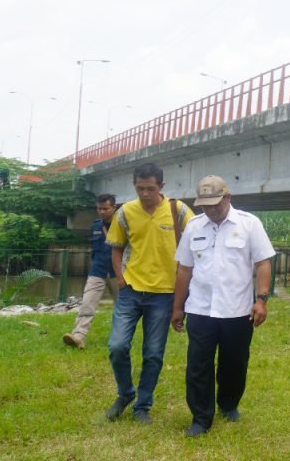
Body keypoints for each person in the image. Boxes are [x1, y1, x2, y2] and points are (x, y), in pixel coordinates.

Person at [171, 175, 275, 437]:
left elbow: (263, 263)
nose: (210, 210)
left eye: (215, 204)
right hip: (200, 309)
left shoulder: (249, 224)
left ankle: (228, 404)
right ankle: (200, 418)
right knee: (198, 364)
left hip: (237, 310)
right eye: (205, 205)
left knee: (235, 362)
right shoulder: (194, 227)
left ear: (228, 198)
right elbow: (184, 269)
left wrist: (261, 300)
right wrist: (177, 307)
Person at [104, 162, 194, 423]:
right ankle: (125, 392)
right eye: (140, 188)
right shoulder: (125, 212)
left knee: (153, 353)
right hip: (131, 290)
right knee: (117, 346)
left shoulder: (178, 211)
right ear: (134, 186)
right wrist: (121, 279)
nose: (144, 193)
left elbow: (198, 241)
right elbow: (116, 247)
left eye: (150, 189)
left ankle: (142, 406)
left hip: (164, 294)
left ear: (161, 187)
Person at [63, 194, 118, 349]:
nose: (102, 212)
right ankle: (78, 336)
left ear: (114, 208)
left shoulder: (123, 225)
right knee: (87, 303)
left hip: (118, 273)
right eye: (99, 208)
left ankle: (119, 338)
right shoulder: (95, 226)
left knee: (122, 308)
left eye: (105, 208)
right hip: (97, 271)